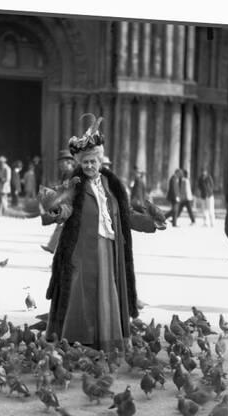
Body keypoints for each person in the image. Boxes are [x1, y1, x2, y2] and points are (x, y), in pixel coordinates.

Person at [44, 114, 162, 352]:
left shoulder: (112, 185)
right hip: (81, 250)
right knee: (81, 293)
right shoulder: (75, 184)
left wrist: (150, 223)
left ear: (100, 162)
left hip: (109, 249)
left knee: (108, 291)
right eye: (85, 162)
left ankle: (106, 338)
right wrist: (57, 211)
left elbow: (125, 214)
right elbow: (63, 206)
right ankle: (78, 338)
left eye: (93, 162)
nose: (89, 166)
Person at [41, 149, 76, 254]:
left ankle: (52, 247)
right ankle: (52, 247)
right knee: (60, 225)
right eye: (59, 163)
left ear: (69, 162)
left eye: (62, 162)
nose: (59, 165)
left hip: (70, 205)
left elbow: (70, 190)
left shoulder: (72, 174)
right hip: (65, 205)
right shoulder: (66, 174)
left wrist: (59, 199)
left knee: (61, 226)